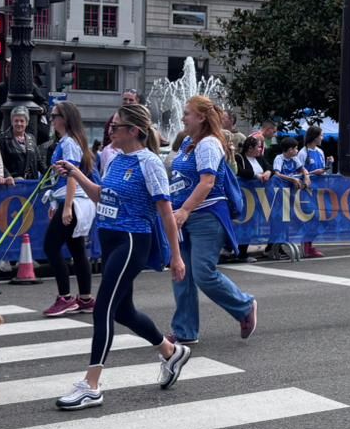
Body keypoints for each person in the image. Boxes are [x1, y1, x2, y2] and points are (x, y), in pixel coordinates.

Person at [50, 102, 189, 410]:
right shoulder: (115, 159)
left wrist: (176, 256)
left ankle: (91, 385)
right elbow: (102, 195)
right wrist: (75, 172)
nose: (110, 131)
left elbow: (165, 212)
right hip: (110, 238)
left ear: (134, 132)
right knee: (124, 311)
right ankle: (171, 352)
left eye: (116, 127)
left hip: (131, 241)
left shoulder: (149, 163)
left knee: (104, 309)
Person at [169, 96, 258, 347]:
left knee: (203, 273)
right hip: (185, 217)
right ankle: (185, 330)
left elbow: (207, 182)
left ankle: (244, 305)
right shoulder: (188, 142)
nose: (183, 117)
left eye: (187, 113)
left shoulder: (208, 144)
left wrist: (184, 210)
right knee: (180, 274)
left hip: (205, 216)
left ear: (201, 118)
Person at [41, 102, 96, 317]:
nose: (52, 119)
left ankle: (65, 297)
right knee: (77, 249)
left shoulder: (69, 143)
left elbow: (72, 176)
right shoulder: (68, 142)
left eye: (55, 115)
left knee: (51, 247)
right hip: (72, 200)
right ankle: (84, 297)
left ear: (65, 118)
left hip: (73, 201)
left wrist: (67, 207)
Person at [230, 136, 272, 264]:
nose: (260, 149)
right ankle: (239, 252)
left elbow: (270, 167)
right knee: (244, 224)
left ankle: (243, 251)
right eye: (258, 147)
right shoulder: (239, 158)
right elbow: (240, 172)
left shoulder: (259, 158)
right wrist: (256, 175)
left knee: (253, 224)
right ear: (250, 148)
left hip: (259, 198)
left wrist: (268, 172)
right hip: (245, 197)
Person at [298, 126, 329, 260]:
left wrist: (327, 167)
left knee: (324, 217)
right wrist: (312, 173)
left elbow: (323, 170)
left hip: (320, 191)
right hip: (307, 192)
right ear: (315, 136)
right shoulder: (303, 153)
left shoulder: (320, 152)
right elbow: (299, 171)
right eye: (321, 135)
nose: (322, 138)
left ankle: (309, 243)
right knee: (312, 218)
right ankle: (307, 245)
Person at [0, 108, 42, 181]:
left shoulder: (31, 138)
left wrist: (51, 172)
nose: (19, 124)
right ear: (12, 122)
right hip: (12, 183)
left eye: (22, 121)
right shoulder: (2, 138)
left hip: (31, 183)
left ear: (27, 123)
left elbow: (39, 161)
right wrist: (8, 176)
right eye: (16, 121)